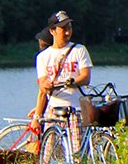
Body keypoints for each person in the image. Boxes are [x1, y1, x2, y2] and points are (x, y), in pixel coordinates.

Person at [30, 10, 91, 153]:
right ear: (52, 31)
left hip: (76, 108)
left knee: (77, 153)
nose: (68, 32)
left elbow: (86, 77)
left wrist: (71, 81)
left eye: (69, 28)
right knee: (48, 154)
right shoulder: (43, 57)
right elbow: (42, 84)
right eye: (63, 28)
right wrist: (46, 85)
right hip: (53, 109)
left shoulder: (79, 50)